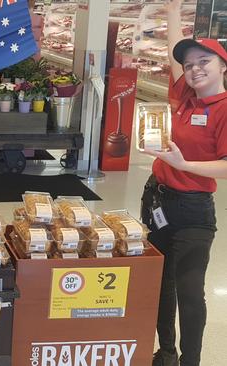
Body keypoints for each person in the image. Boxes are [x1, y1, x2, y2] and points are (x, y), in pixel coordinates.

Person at [141, 1, 227, 366]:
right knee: (161, 285)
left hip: (193, 211)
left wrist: (184, 163)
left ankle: (191, 360)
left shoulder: (225, 108)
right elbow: (176, 55)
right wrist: (173, 11)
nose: (194, 69)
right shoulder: (184, 96)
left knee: (190, 292)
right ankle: (166, 352)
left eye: (203, 62)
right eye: (189, 65)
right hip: (159, 201)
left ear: (223, 65)